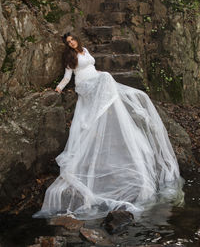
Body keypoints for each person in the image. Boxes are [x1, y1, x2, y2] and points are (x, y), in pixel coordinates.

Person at [33, 32, 184, 220]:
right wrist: (59, 88)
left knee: (106, 76)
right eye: (69, 42)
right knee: (106, 78)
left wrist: (100, 74)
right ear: (67, 45)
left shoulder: (85, 50)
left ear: (77, 40)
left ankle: (107, 106)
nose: (72, 43)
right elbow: (67, 76)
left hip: (95, 79)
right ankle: (104, 107)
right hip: (84, 85)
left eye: (73, 40)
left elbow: (93, 68)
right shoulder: (69, 57)